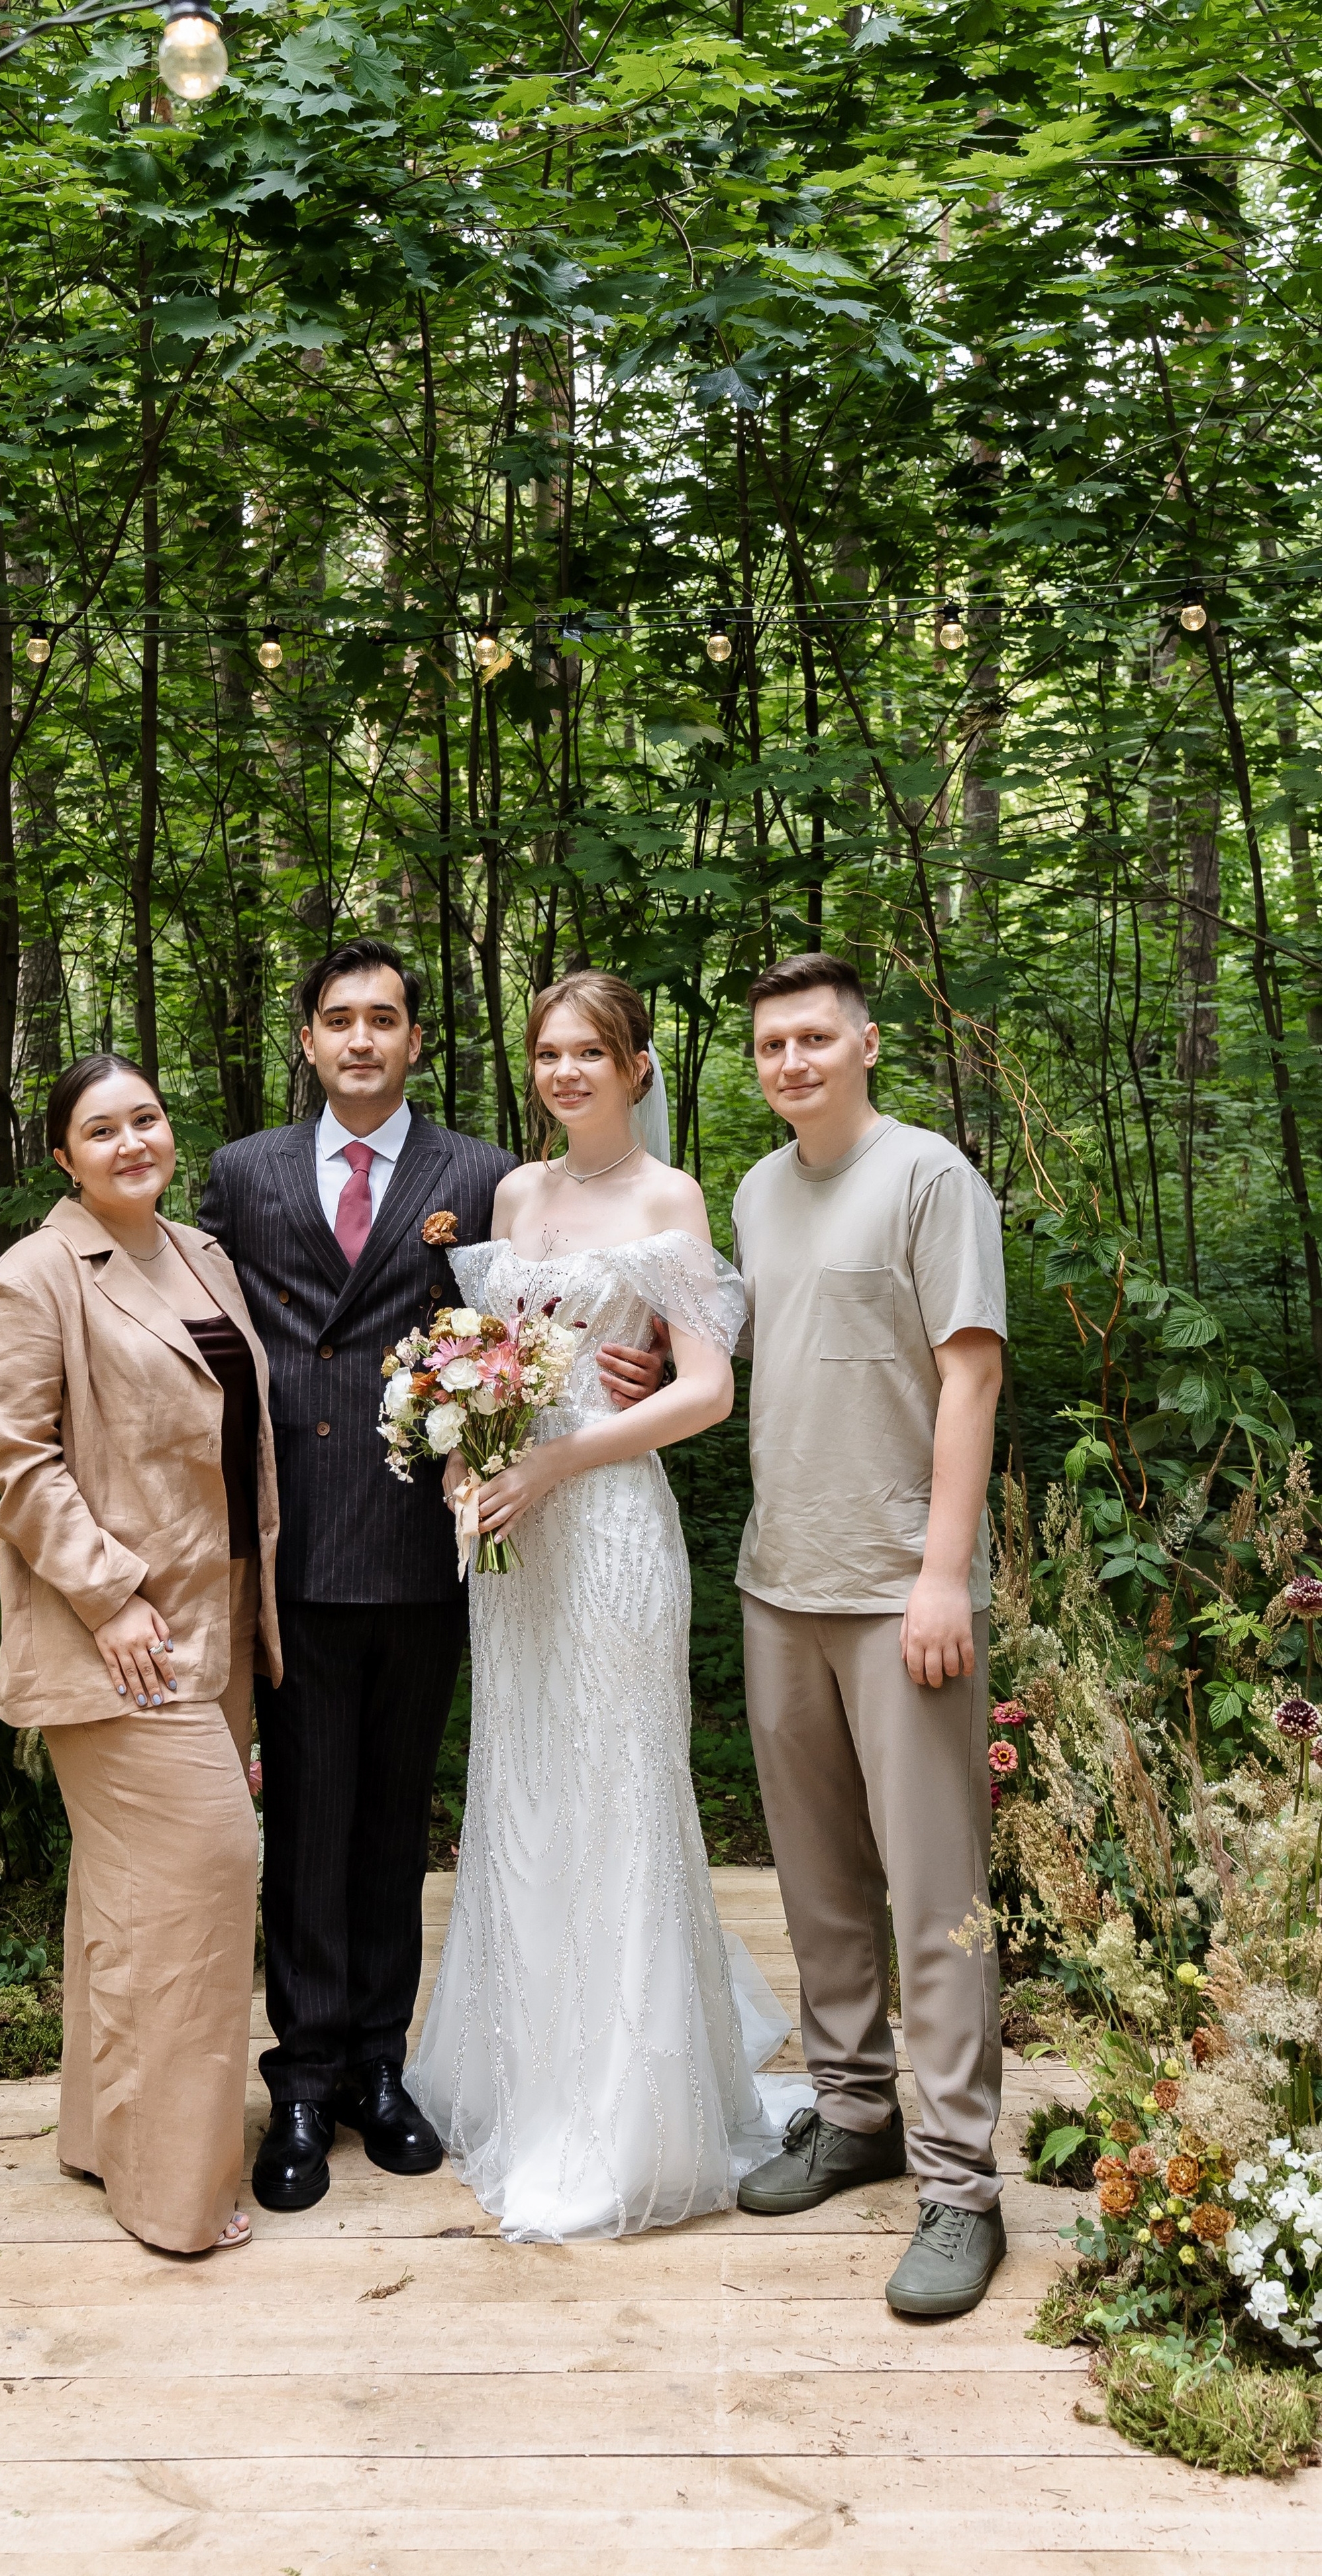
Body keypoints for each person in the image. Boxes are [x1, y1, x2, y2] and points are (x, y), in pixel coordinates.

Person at [198, 939, 666, 2212]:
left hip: (426, 1541)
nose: (362, 1039)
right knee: (303, 1817)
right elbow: (202, 1347)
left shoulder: (485, 1178)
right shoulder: (240, 1175)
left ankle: (377, 2068)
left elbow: (543, 1340)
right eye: (339, 1020)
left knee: (396, 1818)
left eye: (386, 1020)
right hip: (295, 1537)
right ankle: (300, 2078)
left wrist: (644, 1368)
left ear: (416, 1042)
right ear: (308, 1039)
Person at [408, 971, 812, 2241]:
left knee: (619, 1780)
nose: (567, 1072)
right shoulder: (514, 1196)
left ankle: (627, 2108)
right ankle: (523, 2065)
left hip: (610, 1518)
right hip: (512, 1535)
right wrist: (468, 1463)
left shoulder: (669, 1196)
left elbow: (702, 1393)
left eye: (591, 1052)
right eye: (547, 1052)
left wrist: (560, 1457)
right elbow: (475, 1363)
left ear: (636, 1065)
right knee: (523, 1780)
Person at [729, 951, 1008, 2320]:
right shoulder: (755, 1191)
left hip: (900, 1590)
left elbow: (968, 1372)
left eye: (813, 1039)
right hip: (779, 1579)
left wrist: (942, 1573)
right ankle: (851, 2115)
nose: (790, 1062)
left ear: (865, 1044)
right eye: (771, 1044)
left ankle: (958, 2184)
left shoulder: (927, 1177)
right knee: (817, 1880)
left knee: (935, 1898)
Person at [0, 1054, 281, 2256]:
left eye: (146, 1117)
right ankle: (178, 2197)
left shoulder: (204, 1256)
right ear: (63, 1156)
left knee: (128, 1895)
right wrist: (110, 1599)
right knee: (203, 1880)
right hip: (123, 1642)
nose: (131, 1142)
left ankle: (105, 2135)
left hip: (224, 1622)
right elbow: (16, 1462)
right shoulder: (32, 1278)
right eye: (102, 1129)